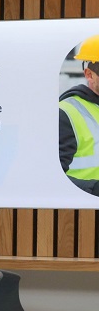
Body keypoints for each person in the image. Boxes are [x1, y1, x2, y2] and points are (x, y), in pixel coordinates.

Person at [59, 36, 99, 195]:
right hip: (84, 212)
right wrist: (94, 189)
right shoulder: (66, 113)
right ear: (89, 74)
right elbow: (50, 178)